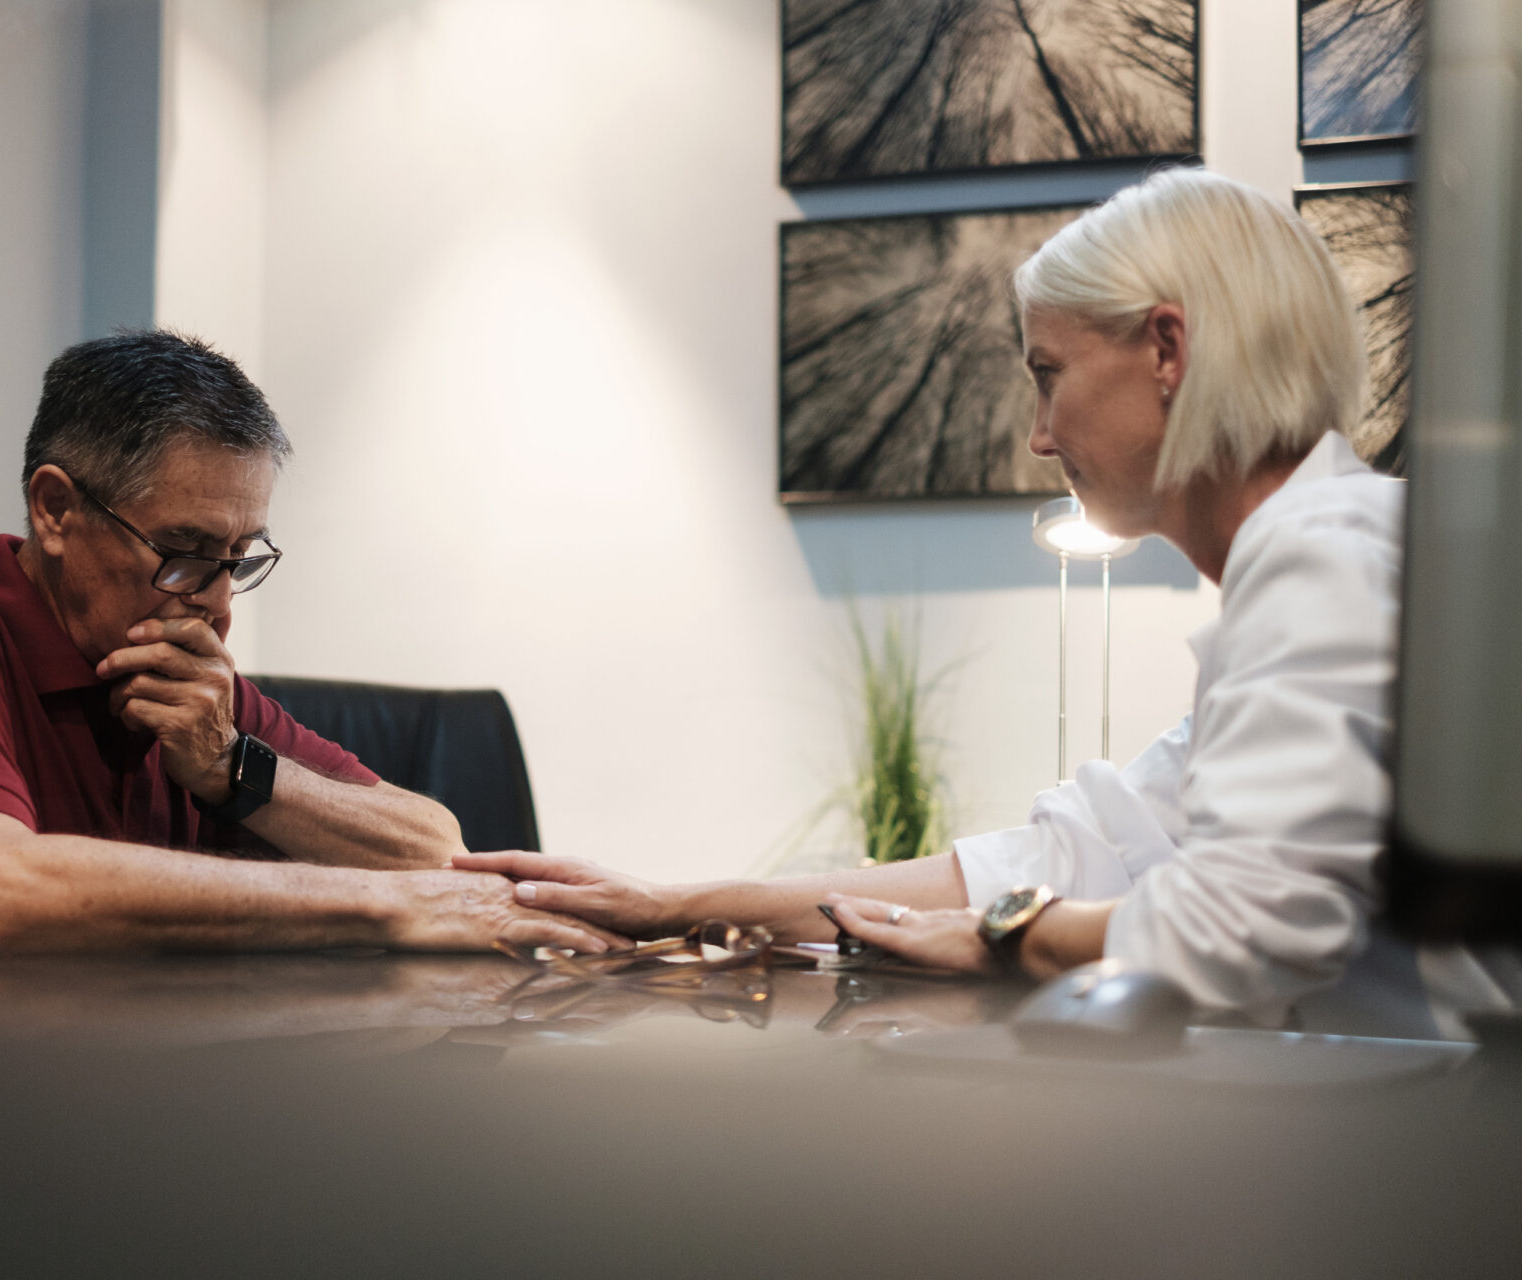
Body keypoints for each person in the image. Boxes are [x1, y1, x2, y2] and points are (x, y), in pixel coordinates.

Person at [458, 167, 1515, 1034]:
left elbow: (1238, 927)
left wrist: (1012, 932)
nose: (1040, 435)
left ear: (1166, 350)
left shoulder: (1326, 562)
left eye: (1047, 373)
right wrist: (675, 902)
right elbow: (1058, 854)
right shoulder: (1347, 556)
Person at [0, 330, 615, 964]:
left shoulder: (195, 692)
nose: (218, 601)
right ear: (56, 510)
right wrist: (386, 908)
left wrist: (238, 770)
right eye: (186, 553)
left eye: (238, 560)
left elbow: (434, 845)